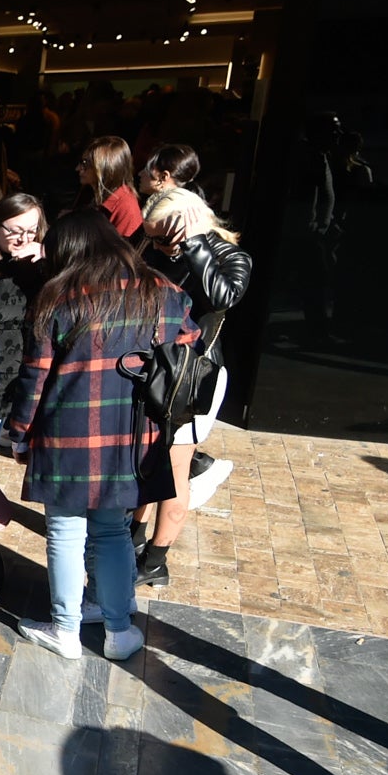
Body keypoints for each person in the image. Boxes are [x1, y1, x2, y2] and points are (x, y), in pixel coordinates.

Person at [4, 211, 194, 664]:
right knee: (112, 530)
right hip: (134, 433)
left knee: (65, 532)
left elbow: (35, 378)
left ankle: (65, 629)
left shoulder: (58, 298)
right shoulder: (164, 291)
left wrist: (19, 435)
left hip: (67, 433)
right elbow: (190, 342)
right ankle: (119, 630)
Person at [134, 183, 252, 585]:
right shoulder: (156, 249)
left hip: (192, 377)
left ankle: (155, 561)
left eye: (163, 237)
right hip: (152, 368)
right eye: (152, 238)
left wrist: (195, 244)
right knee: (143, 460)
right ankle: (133, 536)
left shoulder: (229, 256)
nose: (158, 246)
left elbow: (223, 297)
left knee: (174, 468)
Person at [0, 192, 53, 437]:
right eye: (16, 231)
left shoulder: (42, 261)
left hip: (19, 370)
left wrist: (48, 256)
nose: (24, 239)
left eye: (32, 231)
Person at [77, 135, 144, 238]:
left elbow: (119, 247)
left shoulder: (126, 208)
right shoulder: (91, 191)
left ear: (106, 168)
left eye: (85, 163)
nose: (78, 168)